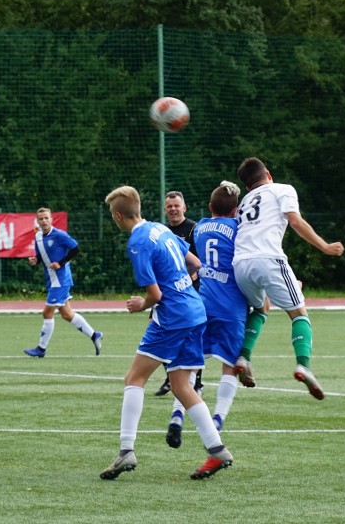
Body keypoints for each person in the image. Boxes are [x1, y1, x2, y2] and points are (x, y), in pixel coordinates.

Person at [100, 185, 233, 480]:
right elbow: (195, 263)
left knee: (134, 378)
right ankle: (217, 449)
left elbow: (155, 295)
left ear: (119, 216)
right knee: (181, 385)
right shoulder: (159, 228)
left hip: (171, 317)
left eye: (112, 215)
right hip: (196, 311)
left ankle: (125, 451)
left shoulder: (137, 242)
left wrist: (140, 304)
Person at [232, 157, 344, 400]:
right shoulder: (283, 189)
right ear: (268, 174)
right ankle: (303, 364)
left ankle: (243, 357)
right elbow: (295, 220)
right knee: (298, 312)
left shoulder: (244, 202)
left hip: (240, 263)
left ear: (249, 186)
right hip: (269, 259)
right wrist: (324, 247)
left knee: (261, 308)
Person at [165, 181, 248, 449]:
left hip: (203, 303)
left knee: (189, 366)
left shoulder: (199, 228)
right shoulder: (239, 229)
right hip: (231, 307)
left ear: (210, 206)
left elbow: (187, 256)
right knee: (230, 366)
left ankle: (177, 416)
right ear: (236, 210)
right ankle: (218, 419)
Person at [23, 208, 102, 358]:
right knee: (66, 314)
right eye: (41, 219)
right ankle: (94, 335)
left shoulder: (59, 235)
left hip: (60, 280)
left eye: (46, 218)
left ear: (51, 219)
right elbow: (41, 256)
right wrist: (35, 260)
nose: (44, 221)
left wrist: (61, 263)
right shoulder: (38, 237)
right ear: (37, 221)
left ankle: (41, 348)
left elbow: (75, 248)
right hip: (52, 280)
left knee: (47, 312)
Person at [154, 190, 203, 397]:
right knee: (158, 329)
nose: (173, 209)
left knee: (190, 337)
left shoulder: (193, 229)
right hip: (167, 292)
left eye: (176, 205)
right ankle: (170, 376)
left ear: (184, 207)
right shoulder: (161, 232)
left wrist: (192, 274)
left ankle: (196, 382)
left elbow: (201, 260)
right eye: (169, 206)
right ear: (165, 210)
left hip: (191, 292)